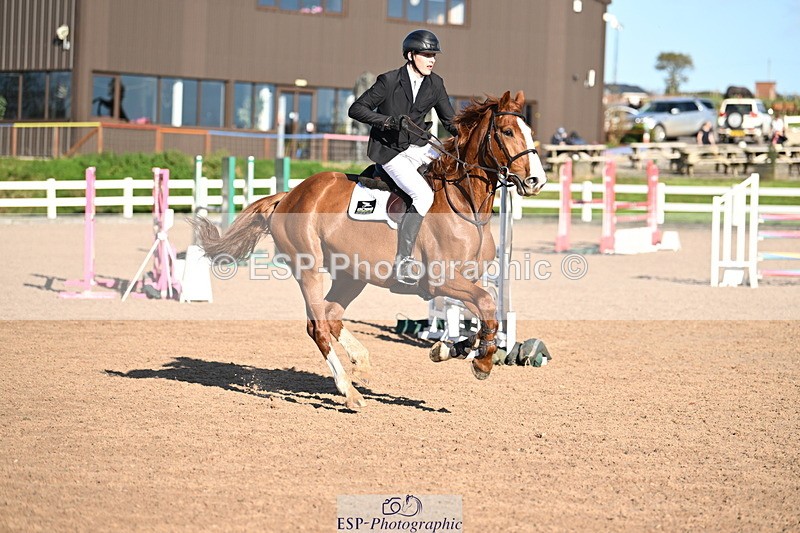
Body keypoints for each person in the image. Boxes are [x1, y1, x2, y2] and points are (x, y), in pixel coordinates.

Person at [349, 29, 458, 285]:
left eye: (434, 55)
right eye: (427, 55)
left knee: (450, 177)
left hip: (420, 146)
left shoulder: (436, 83)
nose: (432, 60)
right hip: (390, 151)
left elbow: (450, 121)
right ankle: (404, 260)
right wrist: (387, 121)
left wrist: (472, 135)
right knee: (424, 194)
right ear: (411, 55)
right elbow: (357, 109)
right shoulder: (388, 81)